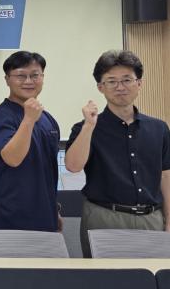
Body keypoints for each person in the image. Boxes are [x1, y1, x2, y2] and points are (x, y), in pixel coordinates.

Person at [65, 50, 170, 257]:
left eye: (127, 80)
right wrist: (89, 126)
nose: (120, 87)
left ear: (139, 83)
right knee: (106, 276)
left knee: (155, 275)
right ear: (100, 87)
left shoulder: (159, 128)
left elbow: (166, 176)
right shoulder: (85, 127)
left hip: (151, 218)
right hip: (104, 217)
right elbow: (73, 166)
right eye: (111, 81)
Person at [0, 51, 61, 232]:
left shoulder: (47, 119)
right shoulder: (0, 117)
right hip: (11, 216)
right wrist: (28, 120)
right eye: (20, 76)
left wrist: (54, 208)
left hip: (46, 215)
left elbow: (47, 169)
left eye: (35, 75)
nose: (28, 81)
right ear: (7, 79)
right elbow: (12, 158)